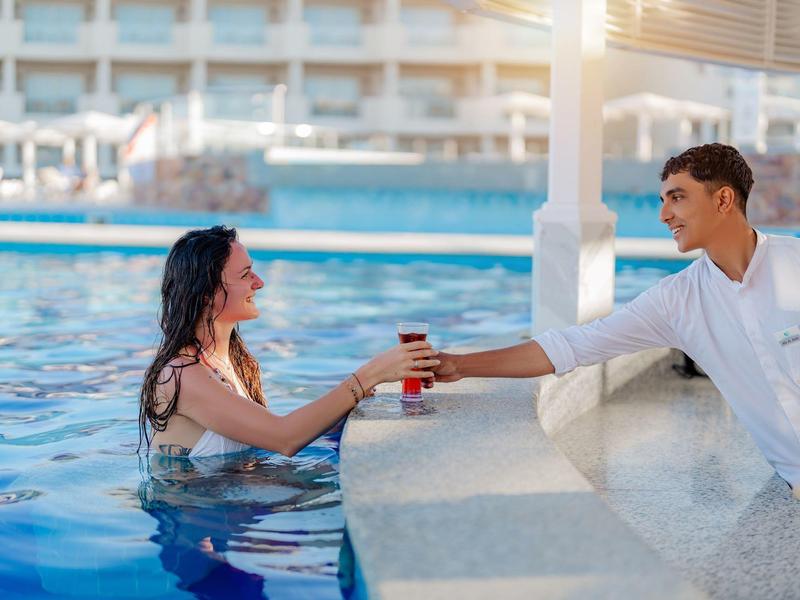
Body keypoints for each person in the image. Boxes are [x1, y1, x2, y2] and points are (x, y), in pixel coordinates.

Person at [431, 143, 800, 493]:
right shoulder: (676, 301)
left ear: (723, 199)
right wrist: (459, 364)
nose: (663, 214)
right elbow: (573, 346)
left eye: (677, 197)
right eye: (663, 200)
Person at [138, 225, 439, 457]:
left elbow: (270, 435)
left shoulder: (231, 362)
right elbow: (284, 438)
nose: (259, 282)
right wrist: (370, 374)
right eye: (245, 275)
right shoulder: (182, 374)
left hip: (230, 507)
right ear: (207, 294)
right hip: (194, 522)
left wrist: (350, 407)